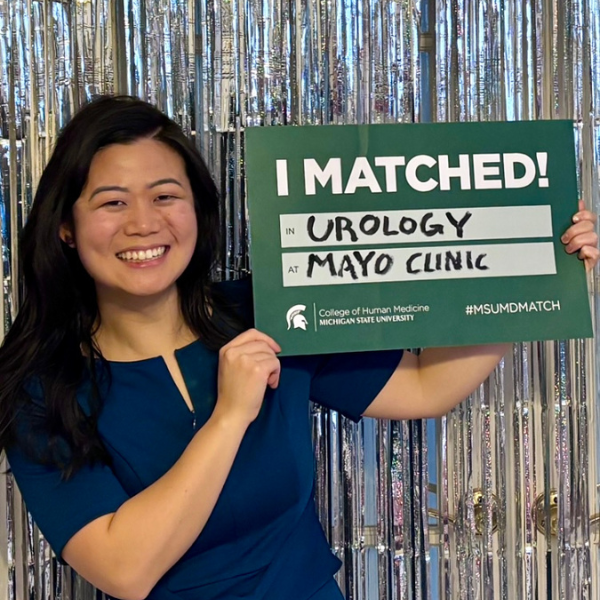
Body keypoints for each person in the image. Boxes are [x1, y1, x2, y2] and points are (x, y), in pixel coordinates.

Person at [0, 96, 597, 600]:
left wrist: (535, 279)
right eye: (112, 202)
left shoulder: (270, 309)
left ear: (198, 210)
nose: (142, 223)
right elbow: (124, 569)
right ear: (67, 226)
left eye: (164, 196)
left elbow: (423, 387)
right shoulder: (40, 384)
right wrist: (230, 415)